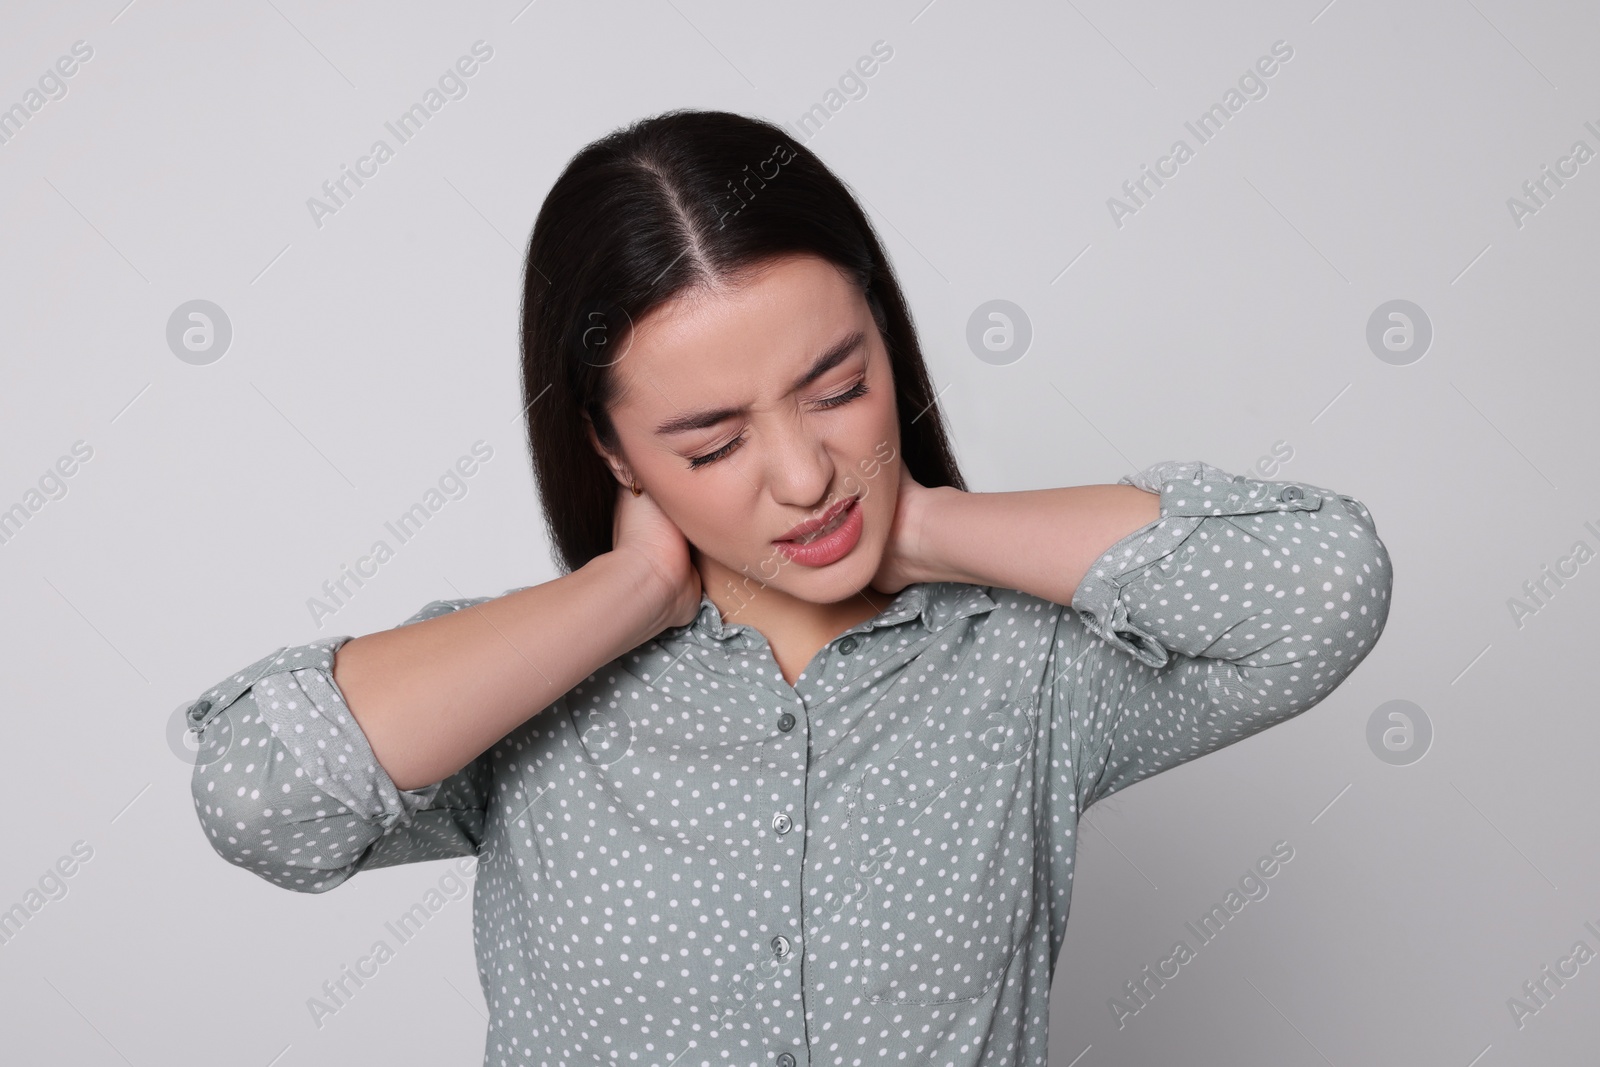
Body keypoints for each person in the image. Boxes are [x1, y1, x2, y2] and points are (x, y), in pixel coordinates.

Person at [183, 109, 1393, 1067]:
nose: (807, 475)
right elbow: (259, 797)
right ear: (614, 453)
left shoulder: (1026, 670)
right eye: (710, 444)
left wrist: (921, 521)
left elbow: (1323, 587)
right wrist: (629, 592)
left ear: (884, 334)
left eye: (836, 387)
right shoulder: (519, 692)